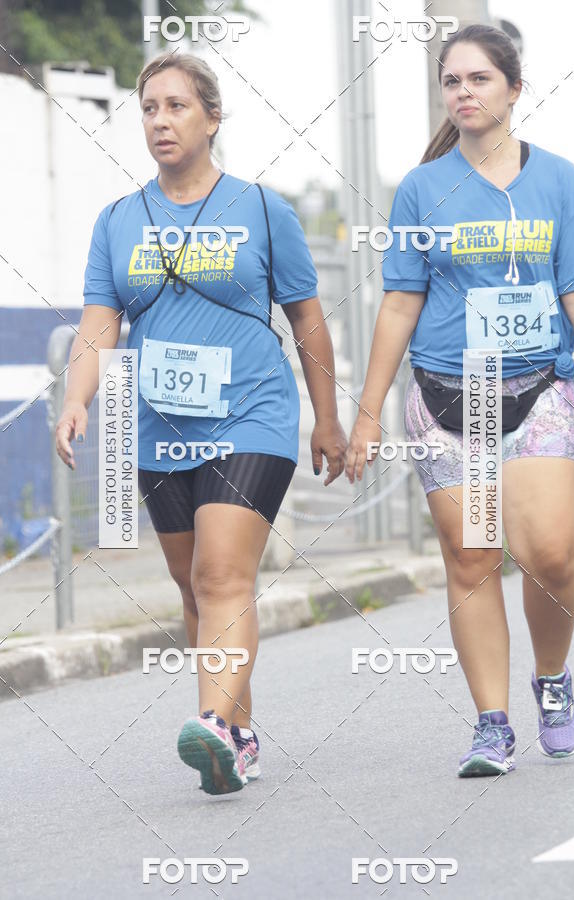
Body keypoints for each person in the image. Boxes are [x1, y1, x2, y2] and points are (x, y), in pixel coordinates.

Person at [55, 52, 347, 794]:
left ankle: (211, 722)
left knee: (222, 574)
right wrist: (77, 397)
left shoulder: (261, 209)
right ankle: (235, 737)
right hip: (158, 425)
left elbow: (307, 319)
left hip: (252, 414)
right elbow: (98, 324)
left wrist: (328, 418)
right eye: (150, 108)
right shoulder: (117, 221)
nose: (161, 121)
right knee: (193, 588)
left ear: (212, 119)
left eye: (177, 106)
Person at [345, 24, 574, 776]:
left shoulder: (560, 182)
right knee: (473, 555)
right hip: (447, 396)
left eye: (479, 79)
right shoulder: (422, 190)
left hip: (538, 388)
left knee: (550, 553)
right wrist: (367, 412)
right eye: (452, 81)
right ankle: (493, 724)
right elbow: (399, 304)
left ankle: (551, 678)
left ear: (514, 89)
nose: (463, 92)